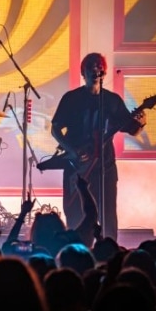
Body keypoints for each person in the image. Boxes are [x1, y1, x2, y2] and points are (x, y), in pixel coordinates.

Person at [50, 52, 146, 241]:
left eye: (99, 66)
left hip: (105, 166)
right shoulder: (71, 98)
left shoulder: (111, 100)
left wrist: (141, 123)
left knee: (107, 213)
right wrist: (72, 150)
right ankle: (76, 249)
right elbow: (55, 129)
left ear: (104, 72)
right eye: (91, 67)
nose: (96, 69)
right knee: (75, 210)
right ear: (83, 73)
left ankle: (108, 252)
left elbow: (131, 129)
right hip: (77, 166)